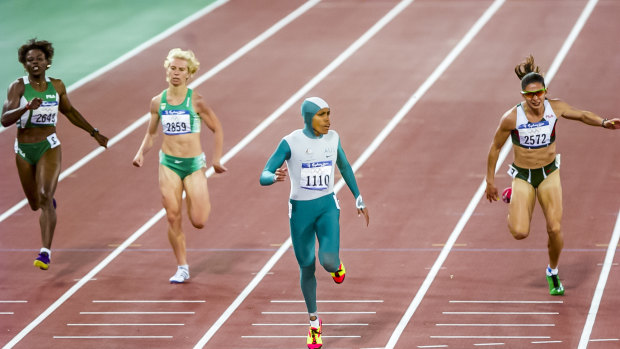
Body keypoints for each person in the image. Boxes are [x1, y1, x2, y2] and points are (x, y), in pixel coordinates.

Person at [485, 55, 619, 295]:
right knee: (519, 232)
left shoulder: (554, 108)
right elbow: (495, 148)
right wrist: (489, 181)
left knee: (554, 229)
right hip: (524, 176)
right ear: (523, 96)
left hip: (548, 174)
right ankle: (513, 195)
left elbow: (581, 114)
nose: (535, 98)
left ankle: (553, 272)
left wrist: (604, 122)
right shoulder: (511, 118)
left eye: (539, 93)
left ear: (546, 92)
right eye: (530, 95)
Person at [260, 97, 369, 348]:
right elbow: (263, 174)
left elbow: (345, 166)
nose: (328, 120)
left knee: (328, 261)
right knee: (307, 266)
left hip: (327, 208)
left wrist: (358, 197)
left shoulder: (333, 139)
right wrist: (273, 178)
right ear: (309, 117)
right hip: (300, 212)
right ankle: (314, 324)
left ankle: (337, 266)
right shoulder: (290, 142)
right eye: (322, 114)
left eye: (329, 113)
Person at [1, 38, 108, 270]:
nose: (35, 63)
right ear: (24, 65)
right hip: (23, 149)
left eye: (39, 59)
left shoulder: (57, 86)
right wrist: (26, 107)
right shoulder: (18, 87)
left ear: (48, 62)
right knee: (34, 203)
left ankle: (45, 252)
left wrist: (94, 132)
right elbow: (5, 119)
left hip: (48, 145)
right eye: (30, 60)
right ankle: (45, 202)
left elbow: (69, 111)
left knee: (45, 196)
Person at [133, 48, 225, 284]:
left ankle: (197, 198)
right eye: (172, 68)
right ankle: (182, 267)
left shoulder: (196, 101)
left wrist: (216, 159)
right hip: (168, 165)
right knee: (173, 217)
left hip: (193, 165)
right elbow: (151, 135)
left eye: (181, 69)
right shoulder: (158, 102)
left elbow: (217, 128)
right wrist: (141, 153)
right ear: (167, 70)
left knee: (199, 221)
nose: (176, 72)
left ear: (189, 74)